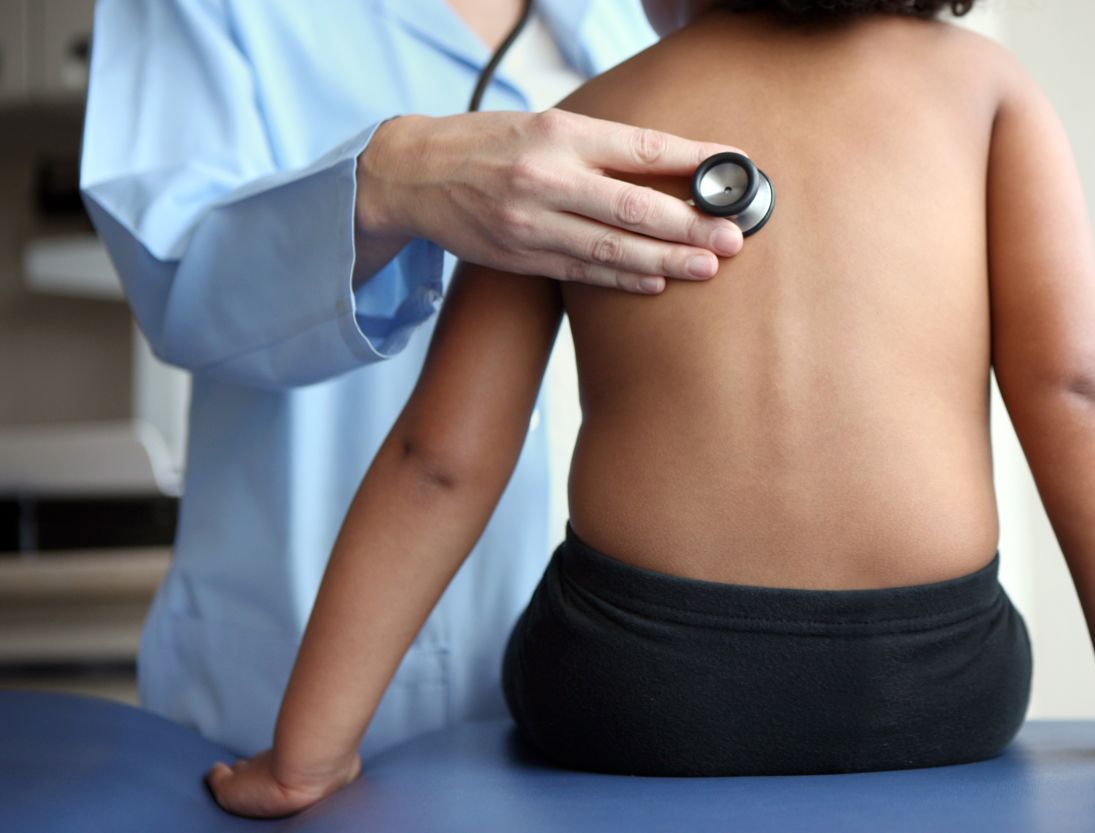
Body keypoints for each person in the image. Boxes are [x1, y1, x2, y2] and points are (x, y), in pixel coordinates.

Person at [207, 0, 1095, 817]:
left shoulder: (582, 127)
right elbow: (1078, 388)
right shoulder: (984, 93)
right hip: (945, 683)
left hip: (632, 690)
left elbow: (439, 459)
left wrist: (306, 756)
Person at [79, 0, 747, 758]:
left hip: (618, 693)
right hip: (293, 663)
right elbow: (174, 276)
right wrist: (389, 183)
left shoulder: (650, 15)